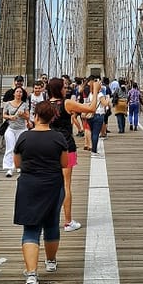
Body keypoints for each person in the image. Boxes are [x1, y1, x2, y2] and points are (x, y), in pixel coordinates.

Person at [13, 100, 68, 284]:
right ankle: (51, 262)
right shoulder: (59, 138)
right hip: (53, 184)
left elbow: (18, 164)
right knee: (52, 222)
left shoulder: (24, 138)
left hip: (29, 185)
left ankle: (31, 274)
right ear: (52, 117)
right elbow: (64, 163)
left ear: (35, 116)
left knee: (31, 229)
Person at [47, 77, 82, 232]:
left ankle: (47, 220)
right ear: (59, 89)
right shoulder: (66, 103)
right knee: (66, 185)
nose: (66, 89)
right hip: (66, 147)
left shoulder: (45, 105)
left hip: (49, 148)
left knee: (50, 184)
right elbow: (91, 108)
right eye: (64, 87)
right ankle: (68, 222)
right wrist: (95, 91)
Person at [2, 85, 29, 177]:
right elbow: (4, 115)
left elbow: (28, 117)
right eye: (17, 92)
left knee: (20, 148)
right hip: (11, 128)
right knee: (10, 147)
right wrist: (10, 117)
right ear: (14, 93)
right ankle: (9, 168)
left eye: (20, 92)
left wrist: (23, 115)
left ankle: (19, 165)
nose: (19, 93)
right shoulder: (8, 104)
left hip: (21, 129)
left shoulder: (24, 104)